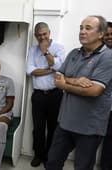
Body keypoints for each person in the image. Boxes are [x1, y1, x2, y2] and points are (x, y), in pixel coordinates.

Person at [46, 16, 112, 170]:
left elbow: (94, 90)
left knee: (82, 167)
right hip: (65, 123)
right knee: (52, 164)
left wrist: (65, 84)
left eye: (88, 28)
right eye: (81, 27)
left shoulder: (108, 57)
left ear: (101, 34)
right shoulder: (74, 53)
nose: (82, 31)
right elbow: (57, 78)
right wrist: (75, 81)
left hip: (89, 128)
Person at [26, 22, 65, 167]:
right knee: (38, 128)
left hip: (55, 95)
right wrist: (50, 70)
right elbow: (29, 70)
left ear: (49, 33)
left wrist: (45, 52)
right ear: (36, 36)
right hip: (38, 96)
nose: (43, 37)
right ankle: (38, 155)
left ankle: (49, 157)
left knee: (54, 128)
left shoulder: (59, 48)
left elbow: (60, 67)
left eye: (45, 34)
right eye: (39, 35)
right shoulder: (32, 50)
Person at [100, 21, 112, 170]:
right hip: (99, 105)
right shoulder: (98, 54)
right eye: (106, 34)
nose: (109, 37)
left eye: (111, 34)